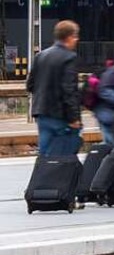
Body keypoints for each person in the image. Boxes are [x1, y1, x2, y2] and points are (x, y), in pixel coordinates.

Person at [26, 20, 82, 156]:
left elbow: (30, 85)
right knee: (64, 157)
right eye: (75, 36)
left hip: (42, 114)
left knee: (45, 155)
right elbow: (69, 90)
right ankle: (62, 176)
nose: (77, 40)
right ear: (69, 37)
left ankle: (43, 176)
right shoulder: (69, 57)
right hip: (61, 116)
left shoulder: (40, 56)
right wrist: (74, 118)